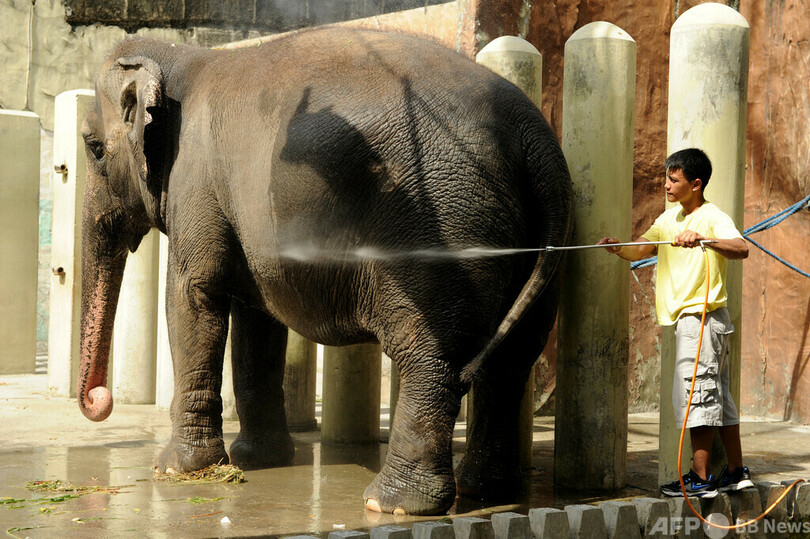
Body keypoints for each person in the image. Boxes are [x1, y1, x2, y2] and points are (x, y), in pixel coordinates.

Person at [599, 148, 752, 498]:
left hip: (703, 320)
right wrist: (619, 248)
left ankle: (701, 478)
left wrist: (703, 239)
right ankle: (735, 472)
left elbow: (741, 248)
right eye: (666, 178)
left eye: (673, 179)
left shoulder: (712, 216)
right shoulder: (669, 220)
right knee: (718, 396)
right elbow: (642, 248)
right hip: (697, 323)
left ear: (695, 184)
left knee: (698, 397)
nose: (666, 185)